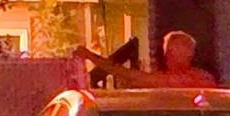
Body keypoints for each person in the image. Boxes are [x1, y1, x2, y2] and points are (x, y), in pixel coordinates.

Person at [74, 30, 220, 89]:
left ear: (189, 54)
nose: (167, 56)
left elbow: (128, 74)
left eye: (171, 51)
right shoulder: (205, 78)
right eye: (167, 51)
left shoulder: (187, 80)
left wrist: (90, 56)